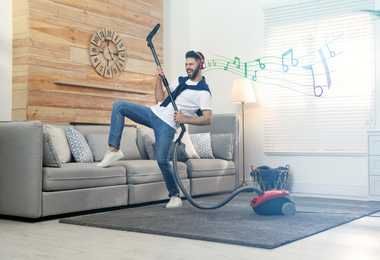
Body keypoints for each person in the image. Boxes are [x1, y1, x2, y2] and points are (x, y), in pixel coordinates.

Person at [96, 51, 212, 208]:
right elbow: (159, 99)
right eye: (186, 64)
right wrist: (158, 80)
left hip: (167, 125)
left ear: (201, 64)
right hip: (152, 113)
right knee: (119, 106)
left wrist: (185, 120)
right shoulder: (179, 81)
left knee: (162, 160)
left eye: (191, 64)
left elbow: (207, 118)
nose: (187, 67)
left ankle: (175, 196)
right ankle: (114, 150)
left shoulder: (203, 91)